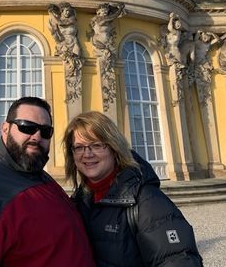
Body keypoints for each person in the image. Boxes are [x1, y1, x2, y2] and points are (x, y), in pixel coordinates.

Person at [0, 97, 96, 267]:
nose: (36, 136)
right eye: (26, 127)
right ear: (5, 129)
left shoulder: (37, 175)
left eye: (45, 131)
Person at [63, 111, 203, 267]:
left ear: (114, 148)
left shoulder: (146, 201)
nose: (87, 154)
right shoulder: (80, 202)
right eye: (79, 147)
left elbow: (179, 259)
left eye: (96, 145)